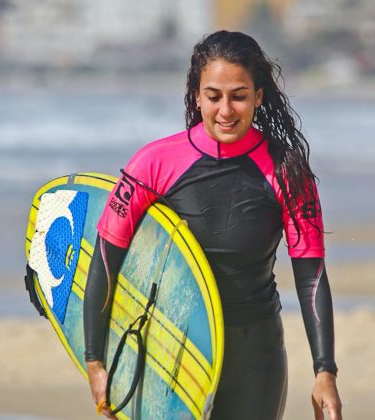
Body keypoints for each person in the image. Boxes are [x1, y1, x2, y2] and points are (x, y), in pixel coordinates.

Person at [83, 30, 342, 420]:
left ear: (258, 96)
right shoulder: (152, 165)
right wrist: (95, 360)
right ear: (197, 96)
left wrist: (325, 371)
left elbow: (311, 277)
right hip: (170, 351)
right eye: (213, 96)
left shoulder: (287, 171)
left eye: (238, 95)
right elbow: (105, 260)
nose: (225, 110)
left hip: (254, 355)